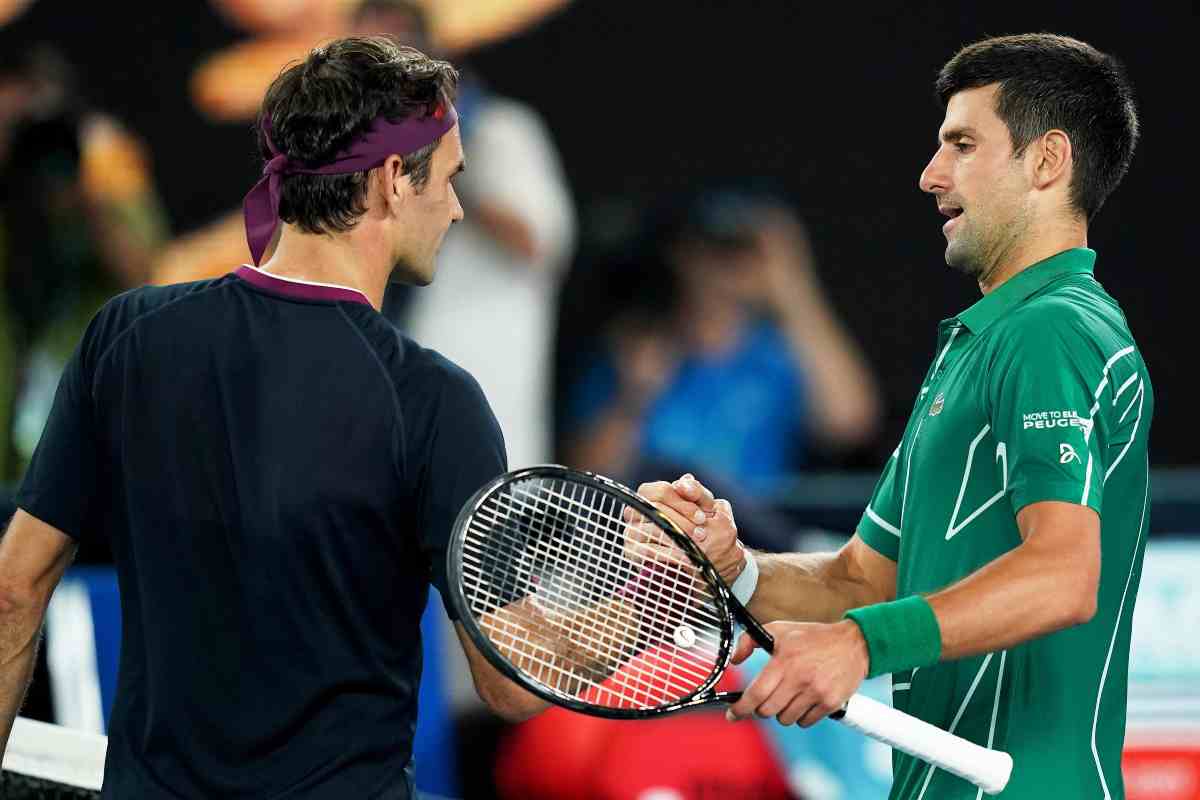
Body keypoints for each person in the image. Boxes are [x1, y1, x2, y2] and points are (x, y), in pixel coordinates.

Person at [0, 37, 545, 799]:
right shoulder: (432, 400)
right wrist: (655, 605)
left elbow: (14, 590)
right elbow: (512, 685)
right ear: (393, 179)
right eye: (450, 179)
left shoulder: (127, 337)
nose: (455, 207)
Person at [638, 33, 1150, 799]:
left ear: (1047, 162)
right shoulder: (980, 347)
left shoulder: (1054, 330)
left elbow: (1063, 576)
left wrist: (859, 645)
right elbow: (861, 579)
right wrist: (735, 568)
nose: (929, 175)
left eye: (963, 144)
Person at [351, 0, 577, 471]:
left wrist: (443, 166)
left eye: (393, 55)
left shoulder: (503, 132)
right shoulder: (362, 161)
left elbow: (540, 244)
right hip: (396, 427)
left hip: (491, 430)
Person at [561, 190, 881, 496]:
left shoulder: (780, 354)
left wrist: (792, 286)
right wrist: (634, 396)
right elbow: (583, 481)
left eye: (743, 248)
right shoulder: (634, 351)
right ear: (681, 254)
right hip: (654, 534)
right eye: (715, 248)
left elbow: (849, 424)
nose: (728, 265)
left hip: (754, 533)